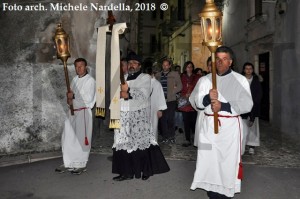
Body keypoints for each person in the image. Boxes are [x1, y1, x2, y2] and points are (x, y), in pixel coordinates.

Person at [190, 46, 253, 198]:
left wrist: (223, 106)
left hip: (229, 129)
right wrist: (207, 98)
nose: (220, 62)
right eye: (217, 59)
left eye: (224, 59)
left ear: (230, 62)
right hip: (208, 127)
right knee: (208, 160)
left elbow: (247, 105)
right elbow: (194, 101)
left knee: (226, 162)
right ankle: (211, 191)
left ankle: (225, 191)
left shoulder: (239, 80)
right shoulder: (205, 80)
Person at [112, 53, 170, 181]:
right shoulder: (123, 77)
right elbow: (115, 96)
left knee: (141, 144)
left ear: (139, 65)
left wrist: (127, 92)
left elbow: (143, 94)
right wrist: (119, 95)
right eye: (129, 63)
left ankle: (145, 170)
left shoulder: (145, 78)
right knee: (124, 144)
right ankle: (126, 172)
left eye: (134, 63)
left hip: (139, 117)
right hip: (123, 116)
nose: (131, 65)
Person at [55, 58, 96, 175]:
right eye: (76, 66)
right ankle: (68, 162)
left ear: (86, 66)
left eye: (81, 66)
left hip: (83, 113)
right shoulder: (73, 80)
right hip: (72, 112)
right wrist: (69, 98)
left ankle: (81, 164)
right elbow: (70, 99)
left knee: (80, 140)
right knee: (67, 137)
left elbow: (88, 100)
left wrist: (72, 97)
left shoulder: (90, 81)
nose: (79, 69)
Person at [155, 59, 182, 144]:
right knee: (162, 119)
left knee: (170, 119)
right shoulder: (158, 75)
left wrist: (172, 92)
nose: (165, 67)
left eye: (166, 65)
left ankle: (171, 136)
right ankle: (165, 137)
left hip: (171, 100)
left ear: (170, 66)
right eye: (163, 65)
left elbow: (180, 86)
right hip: (161, 100)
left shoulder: (174, 74)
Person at [241, 62, 262, 155]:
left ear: (252, 70)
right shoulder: (240, 80)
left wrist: (254, 103)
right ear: (244, 70)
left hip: (254, 106)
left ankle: (252, 146)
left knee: (253, 128)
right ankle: (243, 144)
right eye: (246, 68)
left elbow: (259, 94)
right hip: (242, 107)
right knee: (243, 126)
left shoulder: (256, 80)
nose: (248, 70)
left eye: (250, 68)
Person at [178, 61, 200, 147]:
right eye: (188, 67)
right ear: (185, 68)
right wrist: (183, 94)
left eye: (191, 66)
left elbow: (199, 88)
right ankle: (187, 139)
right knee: (186, 121)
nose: (189, 68)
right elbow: (178, 87)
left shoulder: (197, 77)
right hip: (184, 102)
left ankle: (195, 138)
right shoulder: (181, 76)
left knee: (194, 121)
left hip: (193, 102)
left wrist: (192, 93)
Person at [145, 66, 167, 141]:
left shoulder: (157, 84)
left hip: (154, 108)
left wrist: (160, 109)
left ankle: (153, 142)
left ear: (152, 74)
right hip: (144, 108)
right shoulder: (143, 83)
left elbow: (161, 96)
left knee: (153, 125)